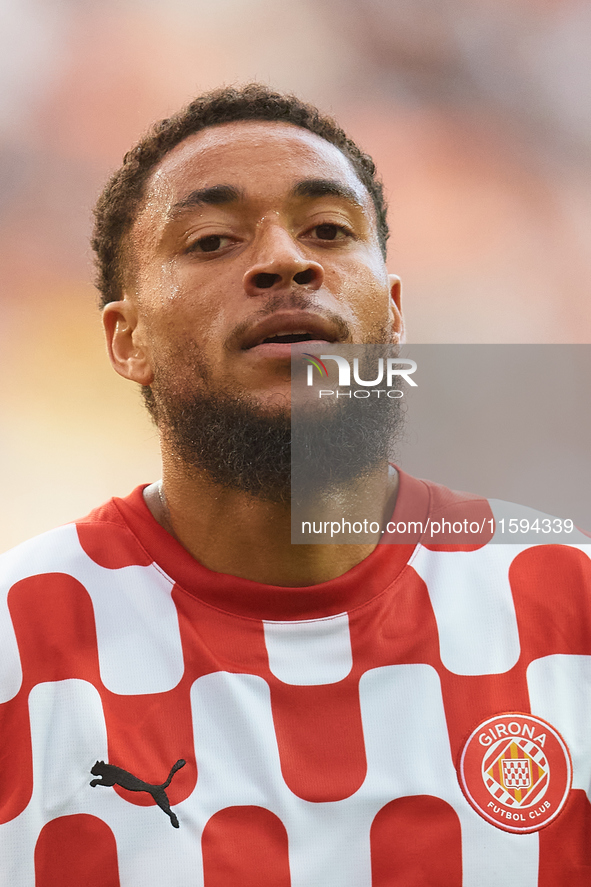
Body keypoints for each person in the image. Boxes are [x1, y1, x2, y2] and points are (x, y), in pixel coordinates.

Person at [1, 84, 590, 886]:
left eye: (328, 230)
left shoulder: (566, 601)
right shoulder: (16, 642)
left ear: (390, 314)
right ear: (126, 337)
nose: (285, 258)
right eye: (211, 240)